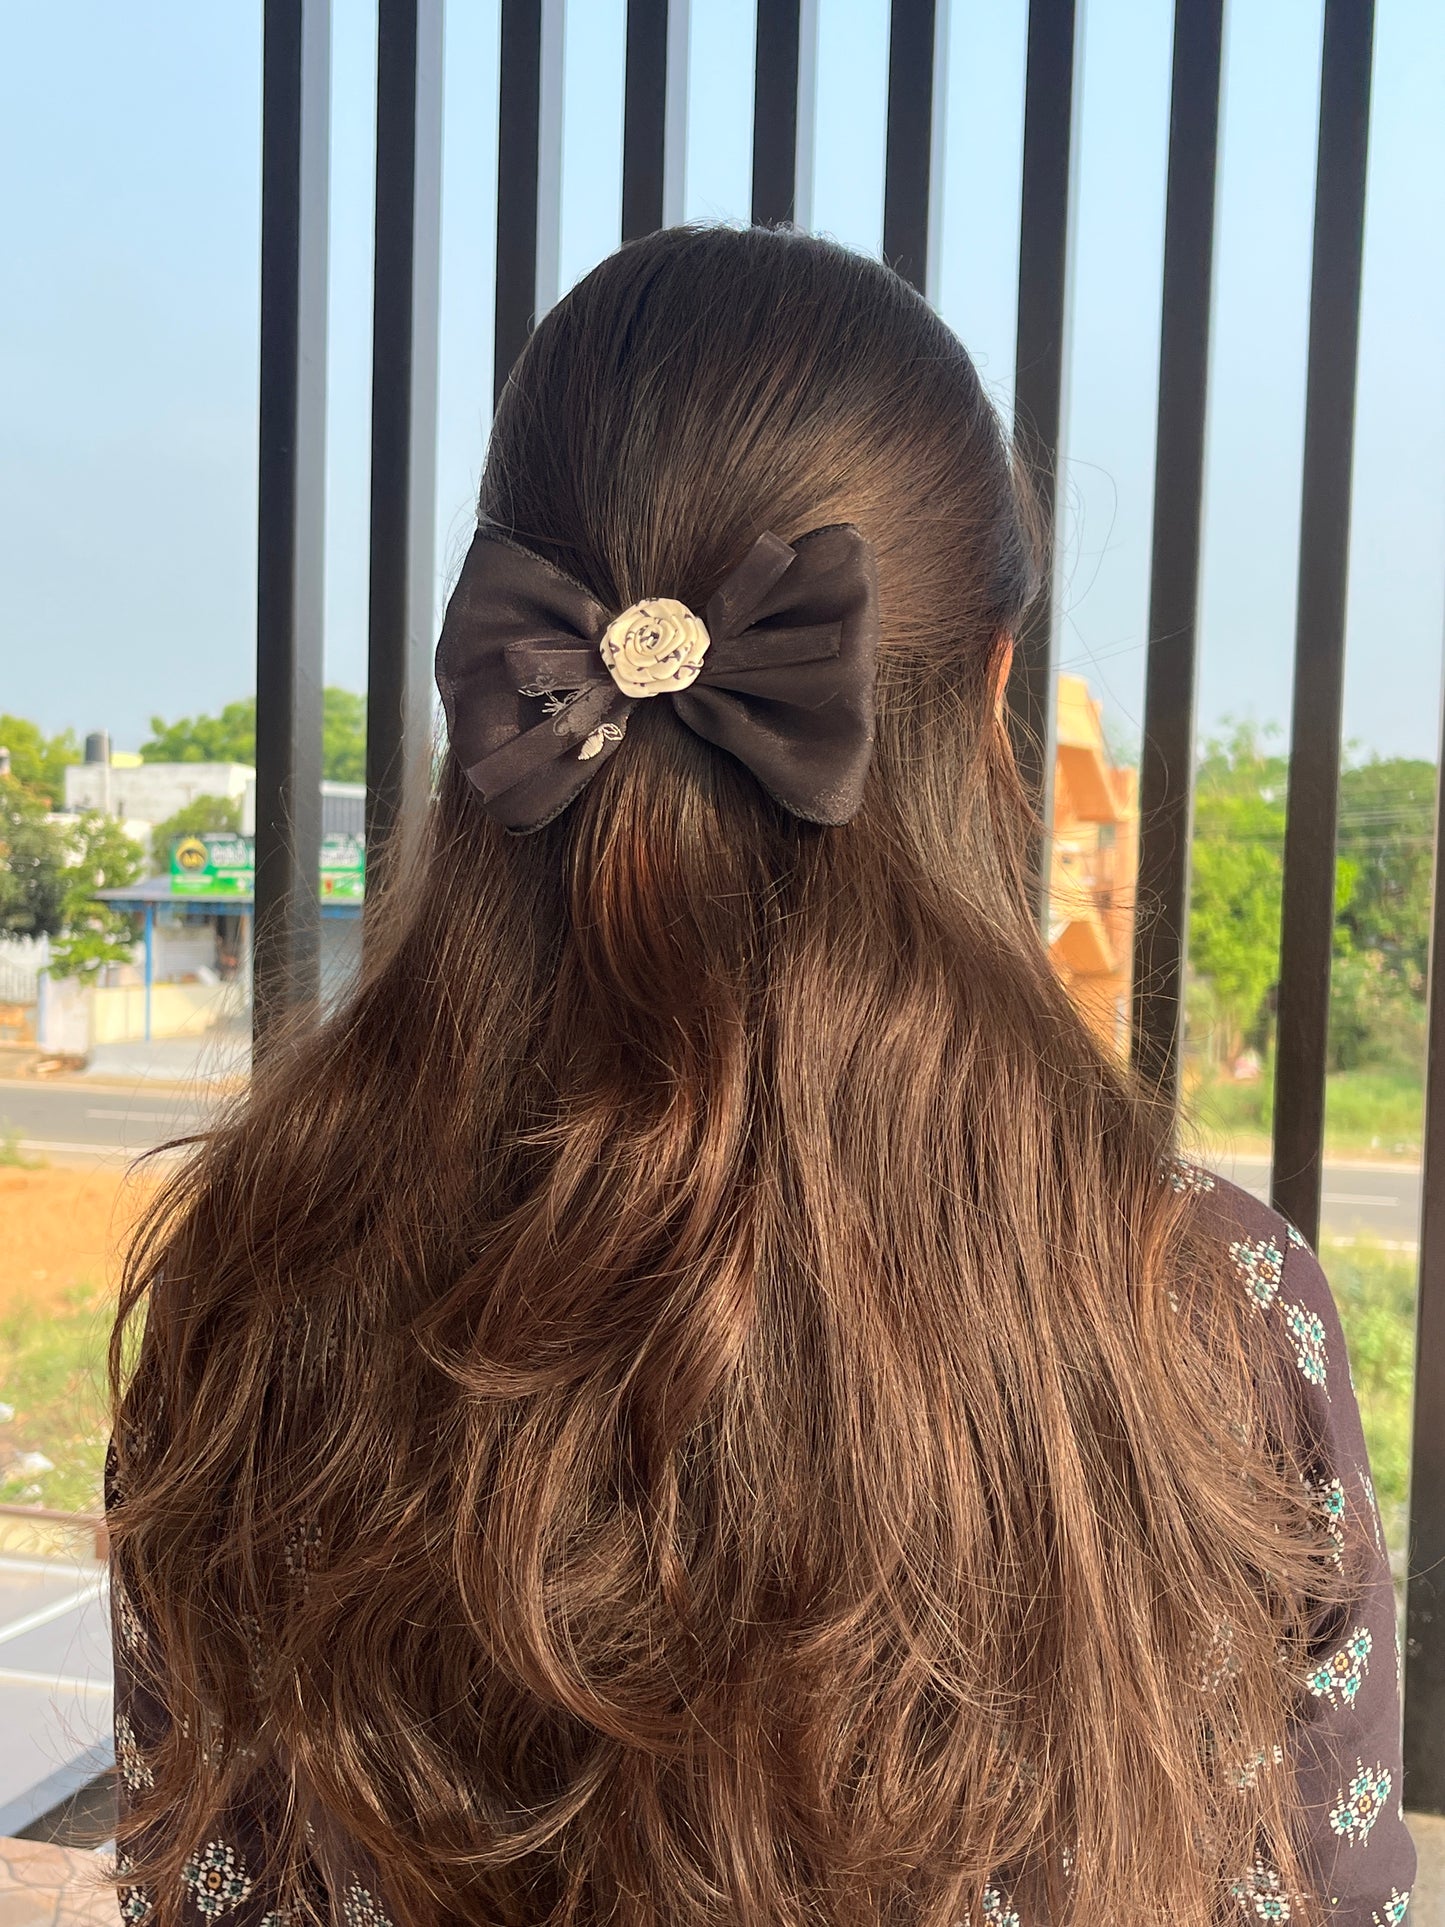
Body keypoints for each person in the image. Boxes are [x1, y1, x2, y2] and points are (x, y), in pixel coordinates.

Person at [103, 223, 1415, 1927]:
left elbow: (192, 1880)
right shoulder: (1219, 1312)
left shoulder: (250, 1291)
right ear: (994, 694)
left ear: (501, 668)